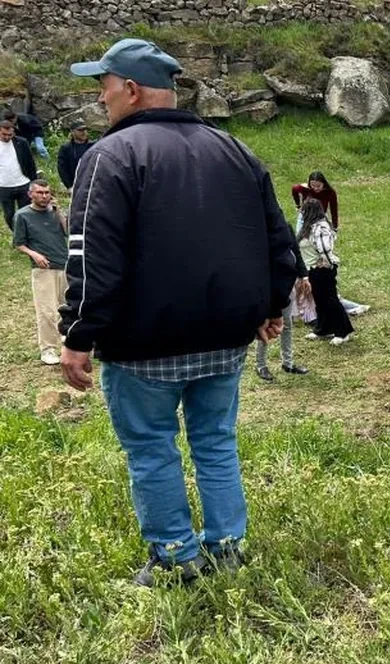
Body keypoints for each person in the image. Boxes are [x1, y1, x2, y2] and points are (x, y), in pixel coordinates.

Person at [59, 39, 298, 586]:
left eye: (104, 86)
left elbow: (92, 257)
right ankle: (227, 549)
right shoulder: (234, 149)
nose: (101, 99)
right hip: (223, 340)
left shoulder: (109, 158)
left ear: (131, 89)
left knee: (151, 448)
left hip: (143, 347)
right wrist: (268, 306)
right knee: (215, 442)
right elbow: (278, 241)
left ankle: (174, 557)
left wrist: (78, 333)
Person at [12, 179, 68, 366]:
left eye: (46, 192)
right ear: (30, 194)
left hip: (65, 264)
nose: (44, 196)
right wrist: (34, 254)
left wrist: (59, 212)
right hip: (43, 269)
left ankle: (66, 336)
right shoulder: (23, 215)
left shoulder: (55, 213)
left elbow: (68, 231)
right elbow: (19, 243)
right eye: (40, 193)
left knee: (67, 306)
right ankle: (48, 349)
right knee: (46, 311)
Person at [297, 198, 353, 345]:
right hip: (312, 270)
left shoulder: (320, 228)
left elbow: (325, 249)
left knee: (330, 300)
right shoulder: (308, 227)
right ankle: (324, 329)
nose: (301, 213)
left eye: (304, 211)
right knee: (320, 301)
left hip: (322, 270)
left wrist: (326, 264)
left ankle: (343, 331)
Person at [254, 234, 310, 382]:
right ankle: (261, 365)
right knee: (266, 326)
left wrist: (304, 275)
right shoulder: (258, 229)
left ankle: (288, 363)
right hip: (268, 287)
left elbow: (295, 251)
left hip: (286, 286)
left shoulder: (283, 226)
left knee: (287, 324)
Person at [0, 119, 39, 231]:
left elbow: (30, 162)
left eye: (10, 134)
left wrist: (34, 181)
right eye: (4, 134)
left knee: (27, 212)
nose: (7, 137)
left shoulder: (21, 143)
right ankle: (17, 234)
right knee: (9, 215)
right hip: (4, 186)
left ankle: (27, 235)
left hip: (23, 182)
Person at [57, 120, 95, 191]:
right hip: (76, 185)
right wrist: (69, 186)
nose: (84, 132)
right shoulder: (66, 148)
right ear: (72, 132)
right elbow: (62, 168)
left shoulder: (94, 146)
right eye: (80, 130)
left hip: (93, 183)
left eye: (85, 130)